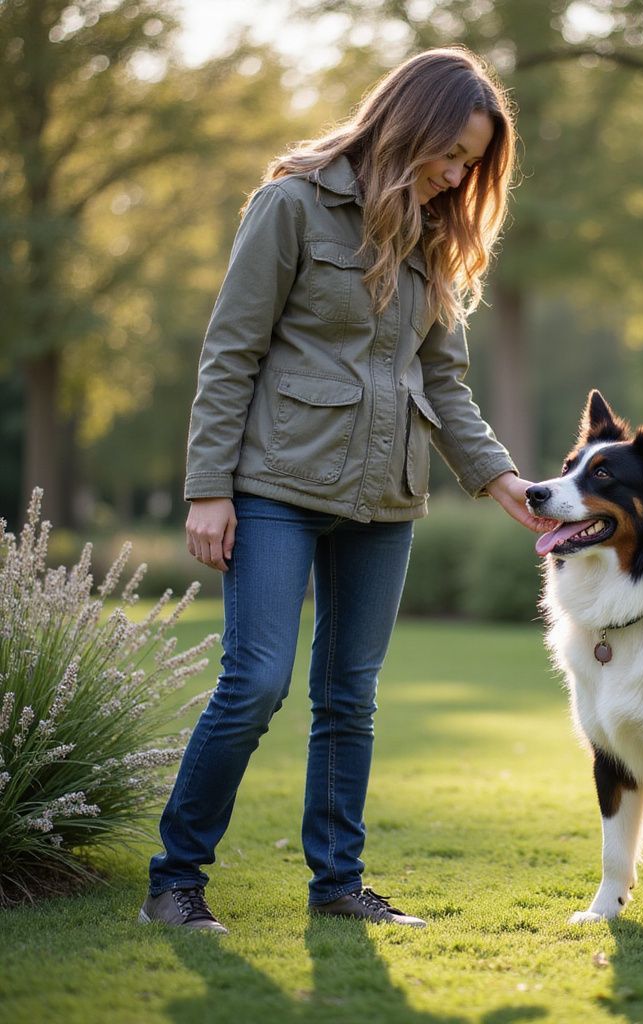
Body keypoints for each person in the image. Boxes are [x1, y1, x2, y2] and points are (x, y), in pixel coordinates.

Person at [139, 47, 552, 934]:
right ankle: (174, 882)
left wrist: (500, 477)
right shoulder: (291, 204)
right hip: (274, 486)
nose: (456, 176)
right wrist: (208, 488)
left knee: (349, 697)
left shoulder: (436, 241)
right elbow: (230, 353)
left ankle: (337, 888)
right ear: (411, 124)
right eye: (451, 154)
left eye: (472, 166)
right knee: (254, 681)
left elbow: (443, 384)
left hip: (386, 498)